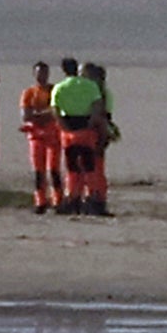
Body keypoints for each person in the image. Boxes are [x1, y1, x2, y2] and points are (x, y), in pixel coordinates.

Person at [48, 56, 103, 215]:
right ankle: (92, 197)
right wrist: (90, 123)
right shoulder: (90, 86)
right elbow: (97, 106)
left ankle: (73, 197)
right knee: (89, 166)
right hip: (85, 128)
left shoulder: (59, 87)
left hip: (69, 130)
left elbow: (55, 110)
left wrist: (64, 127)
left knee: (72, 167)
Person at [20, 61, 61, 214]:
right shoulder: (29, 93)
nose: (41, 76)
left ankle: (58, 200)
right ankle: (40, 201)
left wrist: (39, 115)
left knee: (53, 170)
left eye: (44, 73)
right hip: (36, 137)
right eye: (38, 73)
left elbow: (56, 111)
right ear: (34, 74)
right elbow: (26, 116)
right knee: (38, 171)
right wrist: (46, 114)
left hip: (53, 136)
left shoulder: (54, 90)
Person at [84, 63, 116, 215]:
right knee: (93, 167)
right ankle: (95, 197)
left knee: (95, 167)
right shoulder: (99, 92)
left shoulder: (99, 93)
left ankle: (96, 198)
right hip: (95, 131)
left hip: (97, 131)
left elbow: (105, 115)